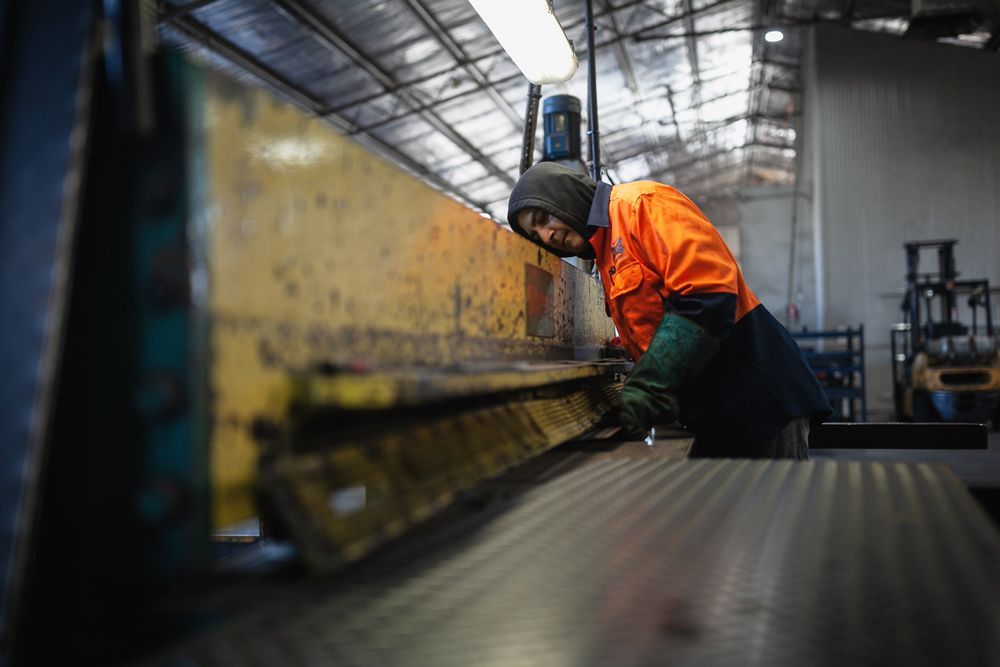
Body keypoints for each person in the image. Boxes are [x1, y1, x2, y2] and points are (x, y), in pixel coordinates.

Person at [507, 162, 831, 459]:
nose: (547, 235)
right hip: (717, 408)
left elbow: (708, 296)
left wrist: (651, 385)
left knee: (777, 513)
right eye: (536, 235)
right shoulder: (605, 257)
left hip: (757, 397)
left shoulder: (641, 204)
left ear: (561, 195)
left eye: (543, 218)